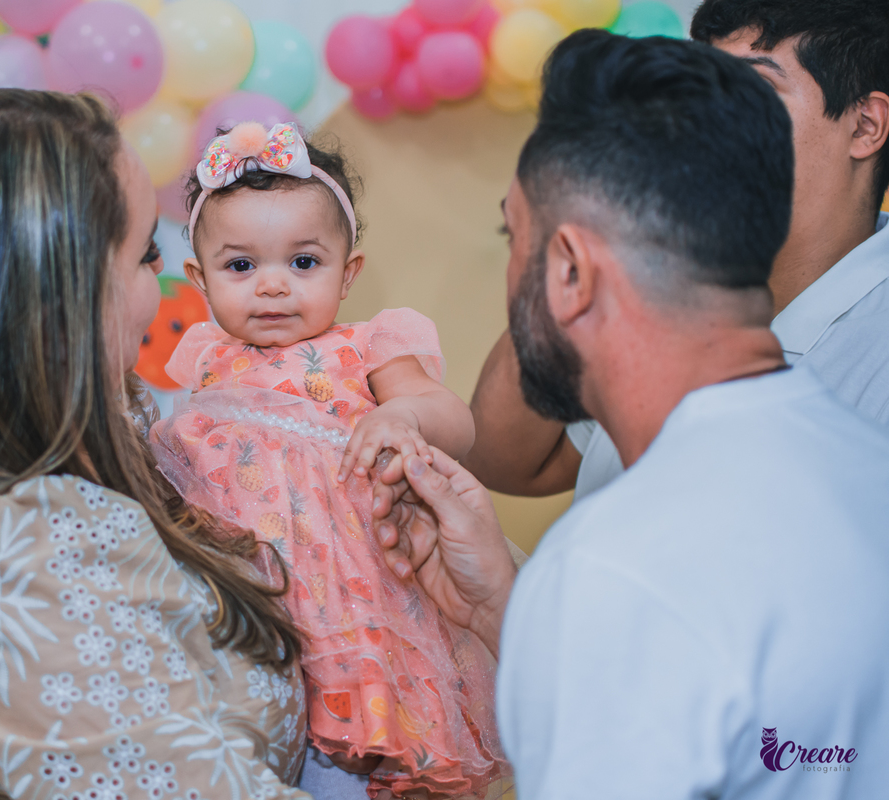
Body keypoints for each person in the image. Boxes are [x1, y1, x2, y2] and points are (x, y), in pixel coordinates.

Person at [372, 30, 889, 799]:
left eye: (514, 237)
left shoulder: (615, 564)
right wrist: (506, 615)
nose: (514, 277)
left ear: (571, 270)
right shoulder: (861, 463)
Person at [0, 90, 320, 800]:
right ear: (67, 297)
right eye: (147, 253)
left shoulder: (101, 432)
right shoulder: (11, 561)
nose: (166, 286)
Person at [148, 122, 508, 799]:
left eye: (303, 263)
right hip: (245, 603)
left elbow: (454, 420)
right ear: (198, 278)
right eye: (241, 266)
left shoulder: (370, 346)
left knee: (351, 759)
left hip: (353, 600)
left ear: (349, 273)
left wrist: (400, 414)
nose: (273, 287)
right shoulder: (205, 360)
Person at [463, 0, 889, 501]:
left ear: (865, 126)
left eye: (753, 91)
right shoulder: (666, 264)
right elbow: (504, 460)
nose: (707, 126)